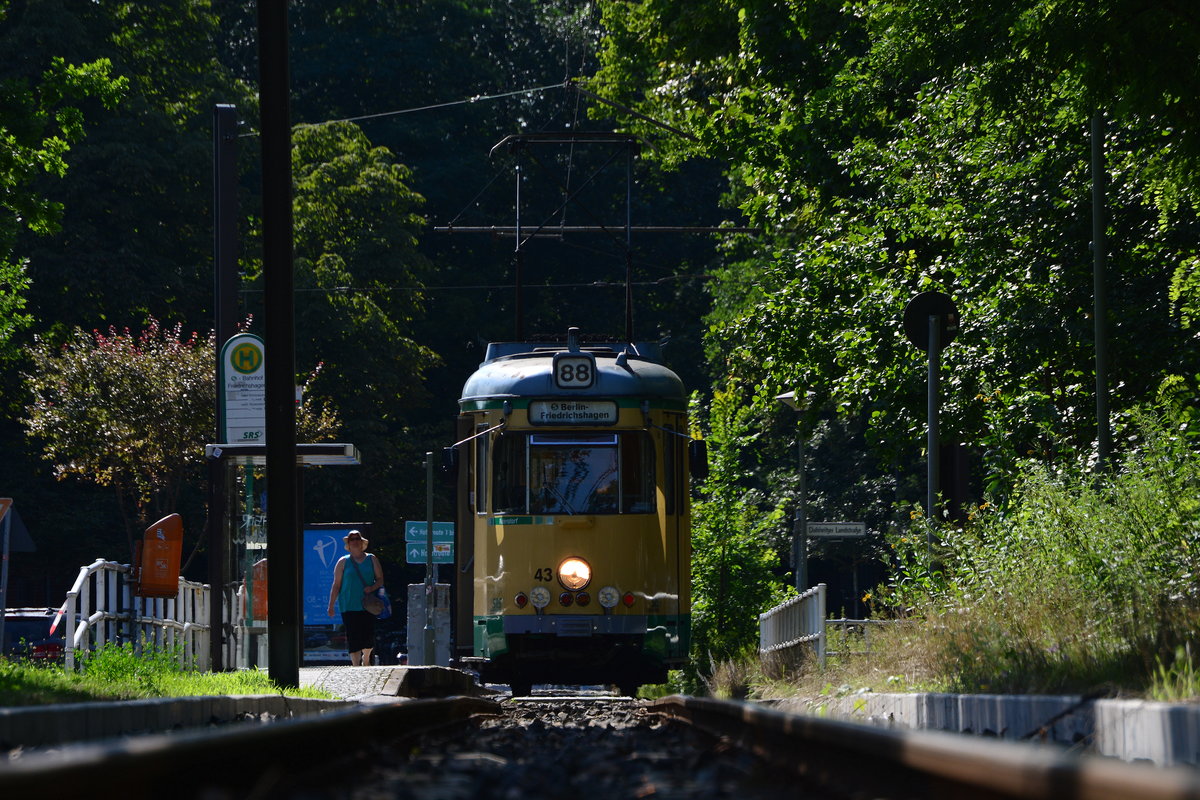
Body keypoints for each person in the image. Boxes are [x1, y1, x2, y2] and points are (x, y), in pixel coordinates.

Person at [326, 529, 385, 666]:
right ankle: (355, 664)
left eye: (357, 538)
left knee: (367, 632)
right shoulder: (343, 561)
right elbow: (336, 585)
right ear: (348, 543)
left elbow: (380, 579)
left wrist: (372, 588)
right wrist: (331, 605)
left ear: (361, 541)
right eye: (352, 539)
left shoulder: (371, 558)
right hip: (348, 603)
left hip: (367, 604)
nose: (355, 541)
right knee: (352, 634)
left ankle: (366, 658)